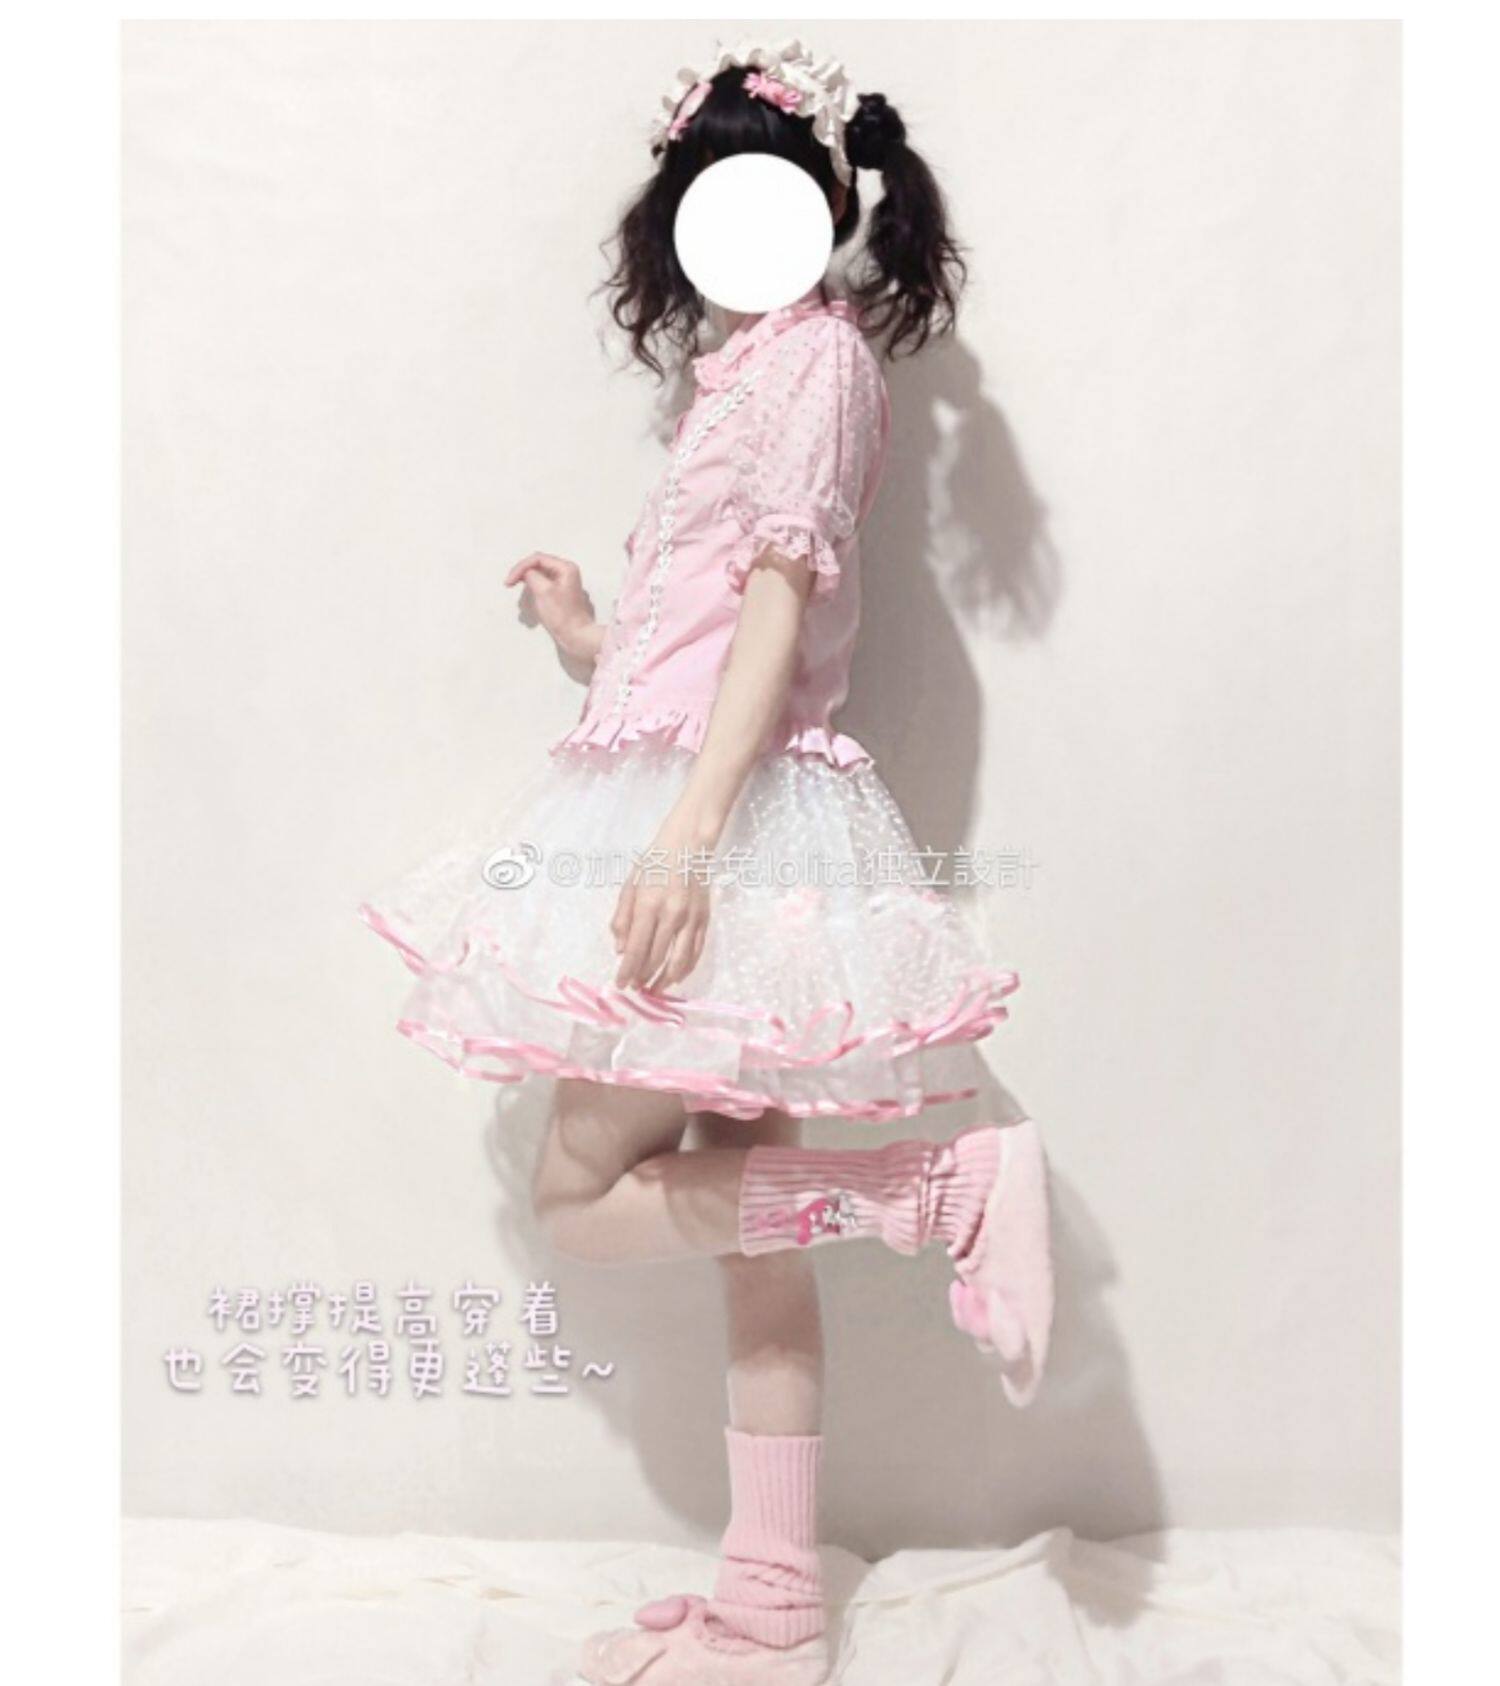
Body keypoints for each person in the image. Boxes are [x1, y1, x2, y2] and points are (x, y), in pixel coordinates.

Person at [358, 37, 1054, 1685]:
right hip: (696, 796)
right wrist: (586, 633)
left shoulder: (817, 365)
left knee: (579, 1195)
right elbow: (696, 640)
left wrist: (681, 843)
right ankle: (774, 1603)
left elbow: (778, 613)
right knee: (751, 1241)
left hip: (716, 827)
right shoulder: (747, 372)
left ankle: (934, 1189)